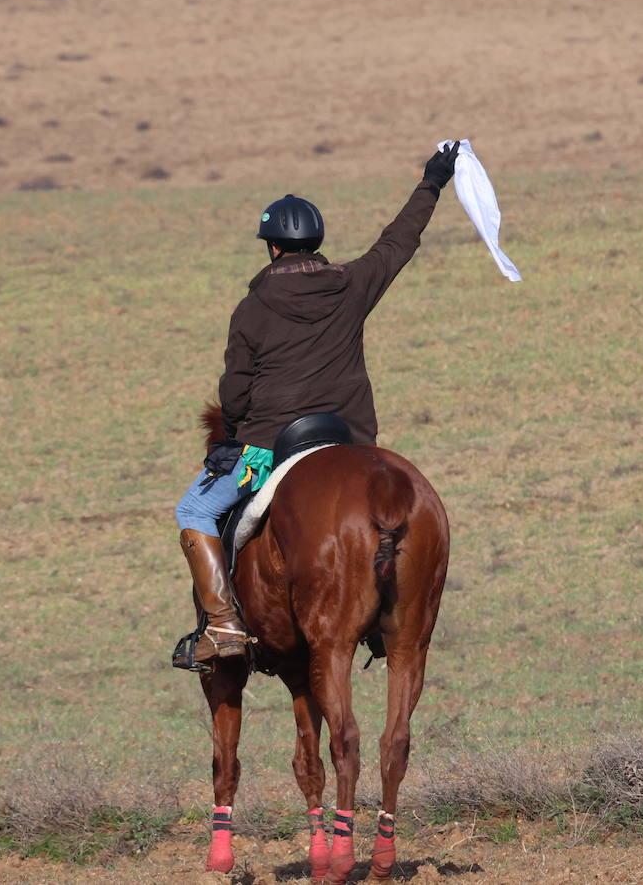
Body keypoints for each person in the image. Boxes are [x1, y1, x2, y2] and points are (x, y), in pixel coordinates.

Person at [172, 141, 461, 670]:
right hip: (348, 440)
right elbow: (398, 243)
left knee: (192, 510)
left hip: (266, 450)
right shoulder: (352, 285)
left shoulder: (253, 308)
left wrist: (231, 438)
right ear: (316, 244)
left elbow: (235, 389)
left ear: (273, 249)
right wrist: (431, 184)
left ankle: (221, 626)